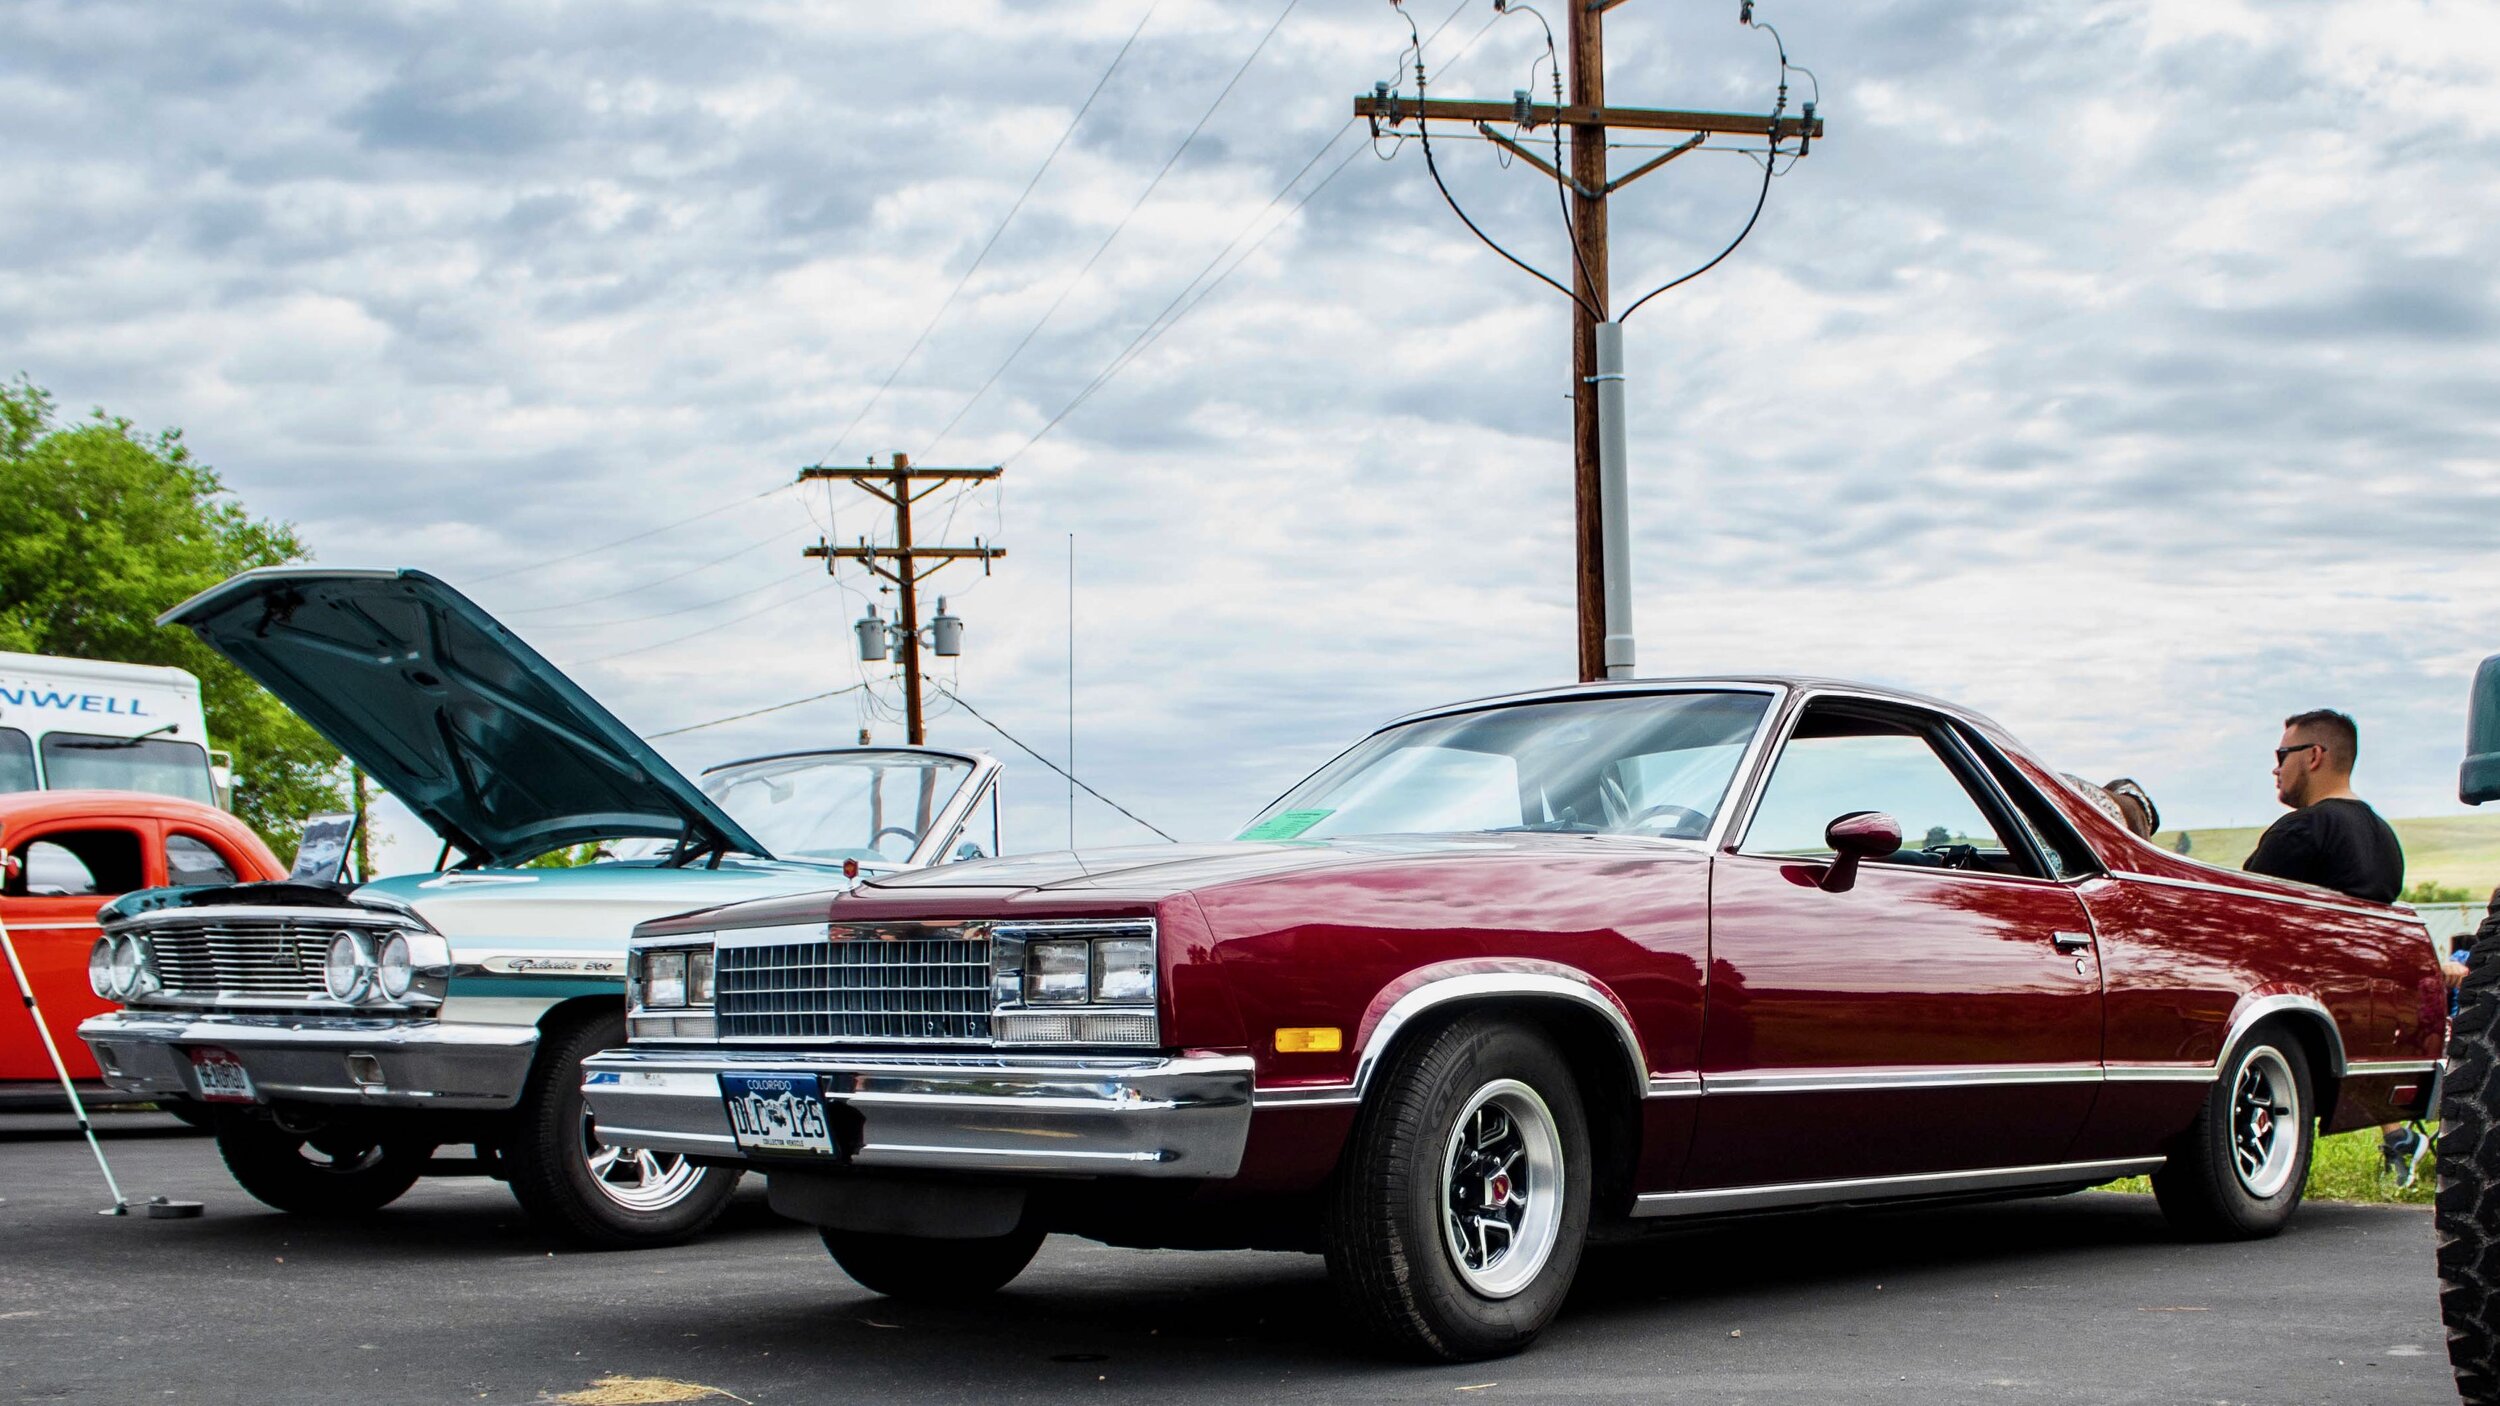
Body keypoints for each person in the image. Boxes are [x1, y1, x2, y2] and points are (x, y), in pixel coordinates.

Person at [2244, 708, 2405, 904]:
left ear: (2314, 755)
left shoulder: (2301, 829)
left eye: (2282, 756)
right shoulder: (2385, 837)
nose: (2276, 769)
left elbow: (2249, 911)